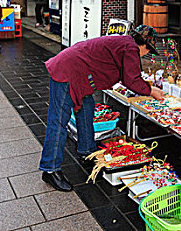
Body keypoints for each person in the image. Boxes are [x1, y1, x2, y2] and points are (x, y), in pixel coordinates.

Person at [39, 25, 165, 191]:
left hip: (80, 73)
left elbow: (127, 73)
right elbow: (131, 79)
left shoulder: (125, 43)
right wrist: (151, 91)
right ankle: (50, 169)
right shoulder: (130, 48)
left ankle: (87, 151)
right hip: (67, 71)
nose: (146, 55)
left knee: (86, 110)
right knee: (58, 121)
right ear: (144, 46)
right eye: (149, 51)